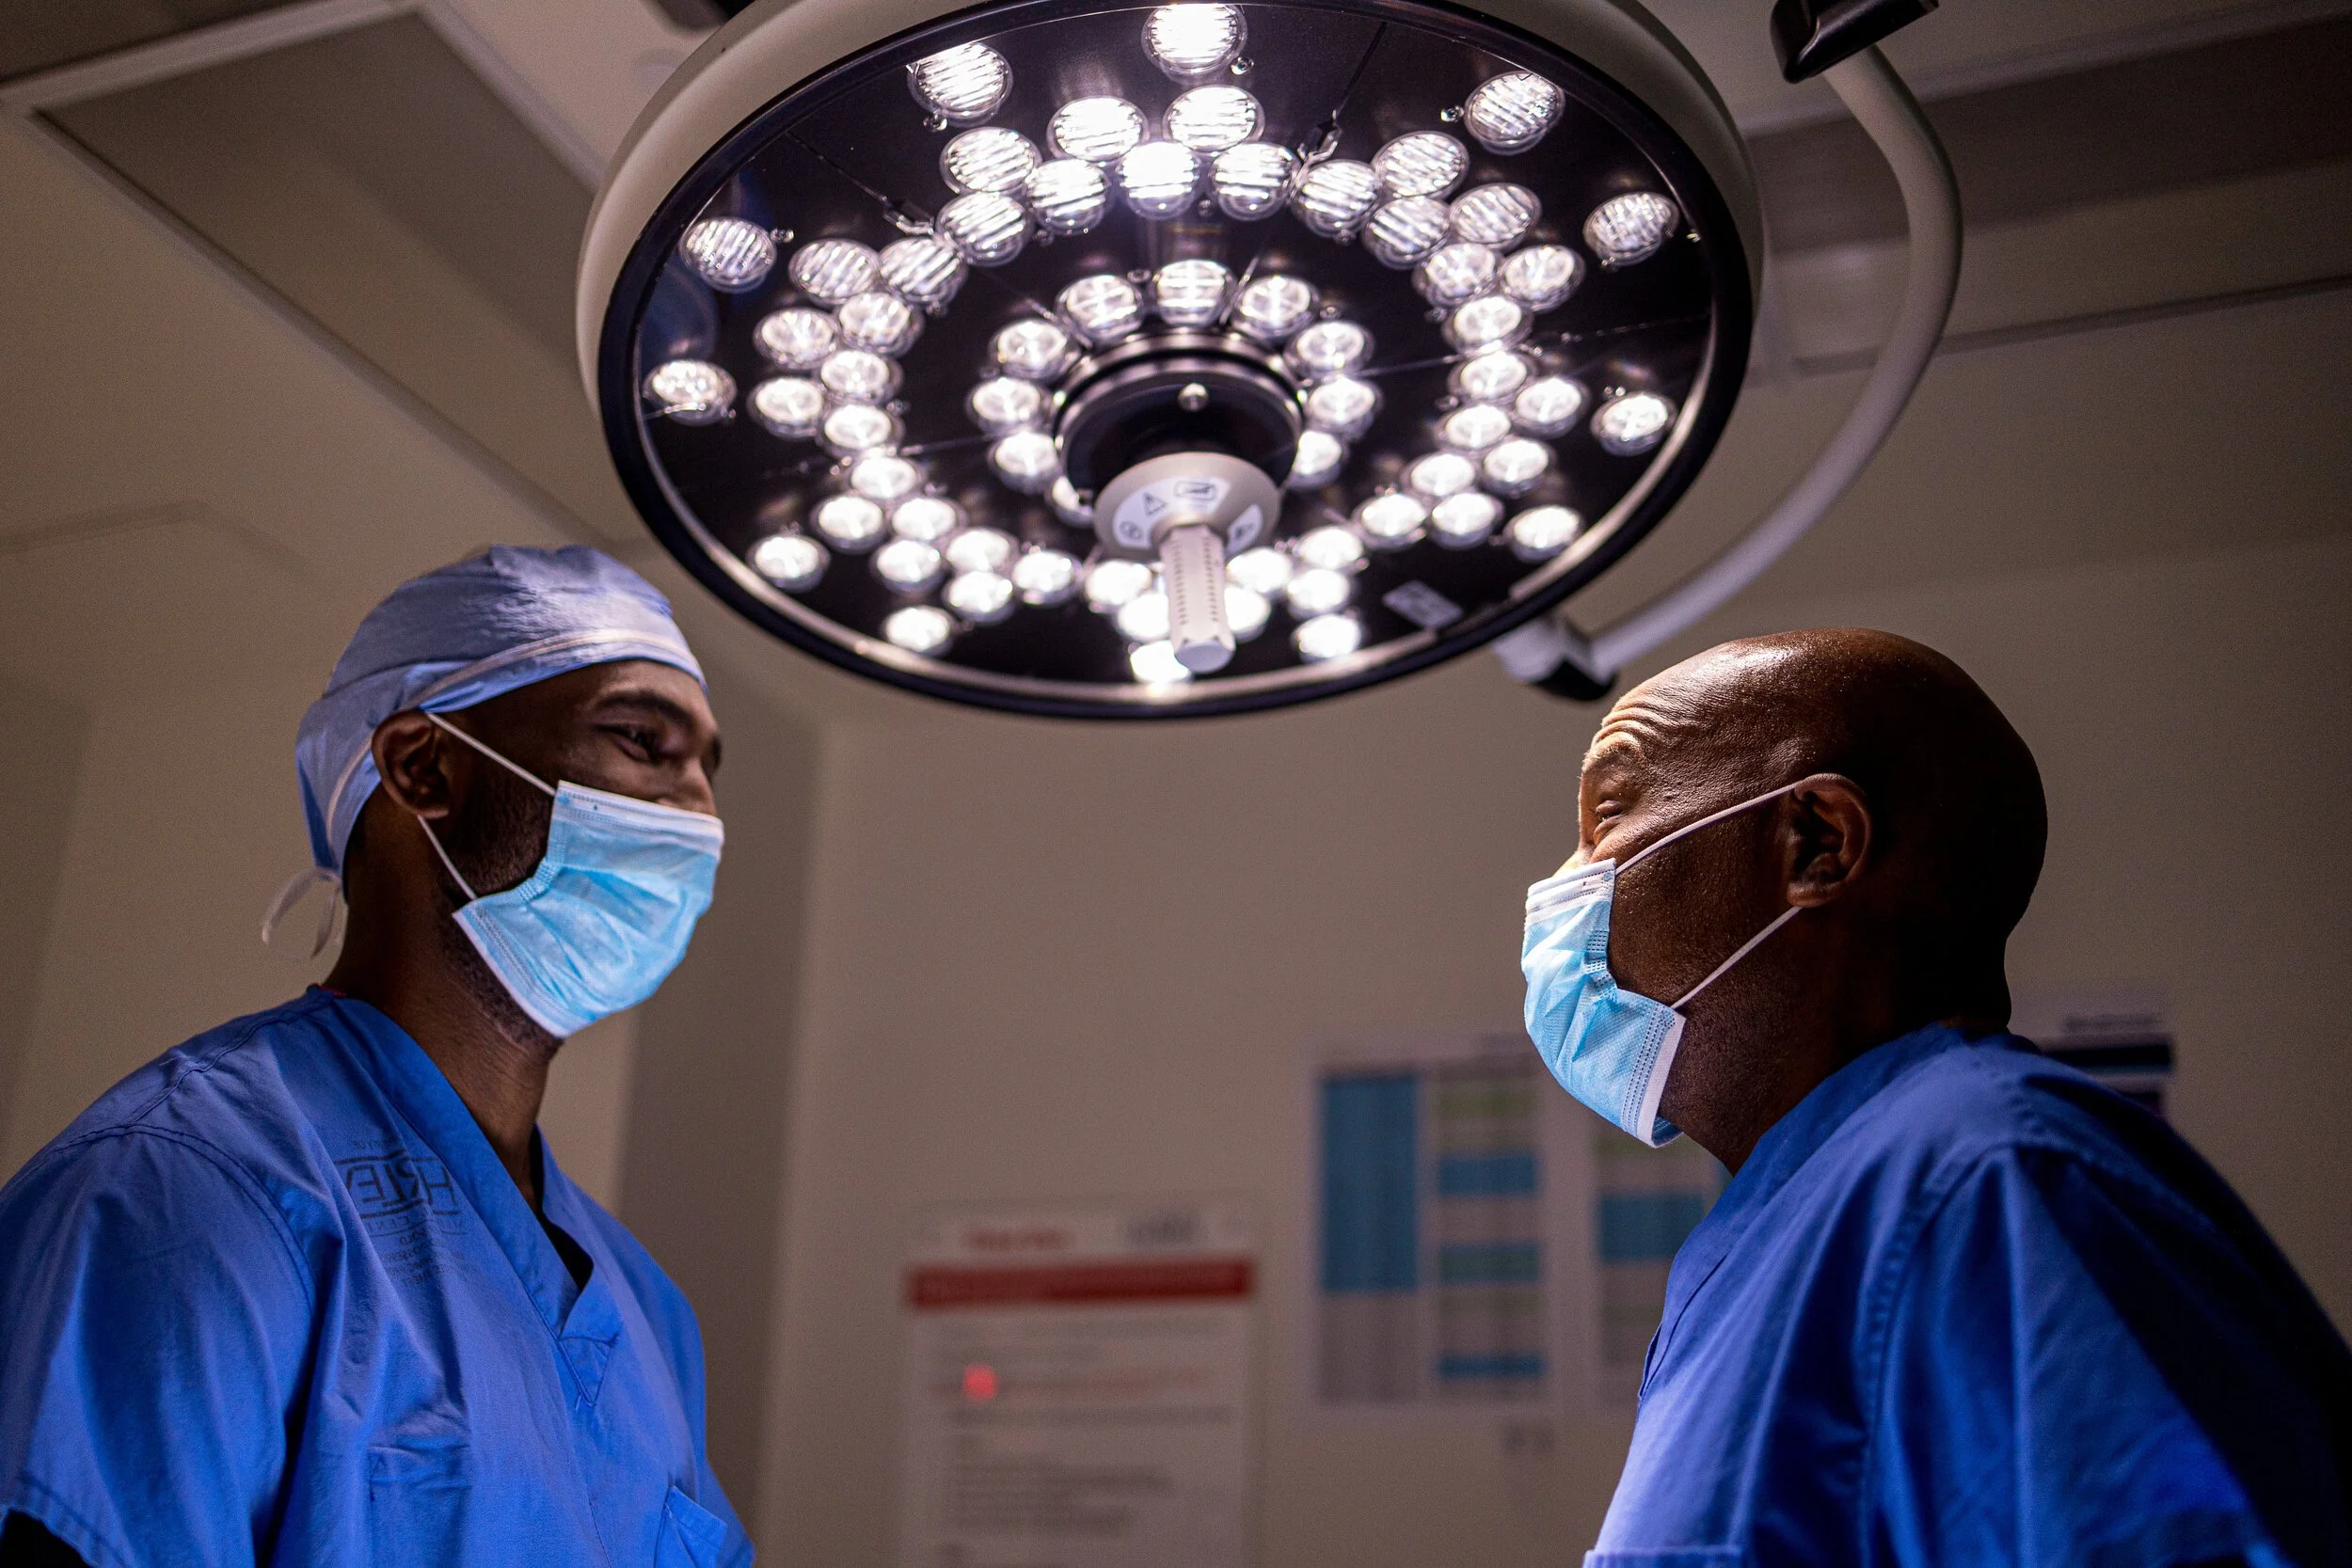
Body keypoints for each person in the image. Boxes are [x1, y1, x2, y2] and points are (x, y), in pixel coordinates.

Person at [1521, 627, 2352, 1565]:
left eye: (1609, 815)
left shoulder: (1990, 1175)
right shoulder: (1775, 1231)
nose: (1568, 880)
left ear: (1817, 843)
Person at [0, 546, 749, 1566]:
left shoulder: (647, 1310)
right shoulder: (185, 1188)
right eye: (642, 740)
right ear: (422, 766)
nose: (698, 812)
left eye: (707, 766)